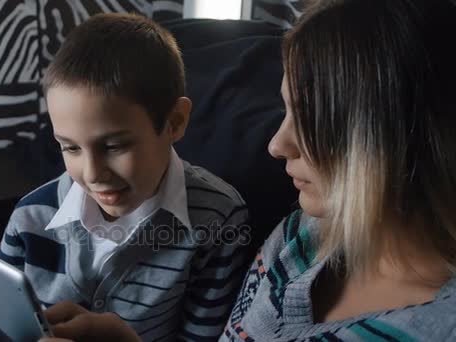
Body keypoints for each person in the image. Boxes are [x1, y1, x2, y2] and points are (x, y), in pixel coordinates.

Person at [35, 0, 456, 340]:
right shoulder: (298, 237)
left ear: (399, 134)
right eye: (286, 110)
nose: (277, 145)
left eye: (312, 121)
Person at [0, 12, 252, 342]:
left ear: (175, 121)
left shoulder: (218, 219)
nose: (93, 174)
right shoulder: (31, 215)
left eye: (114, 146)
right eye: (70, 148)